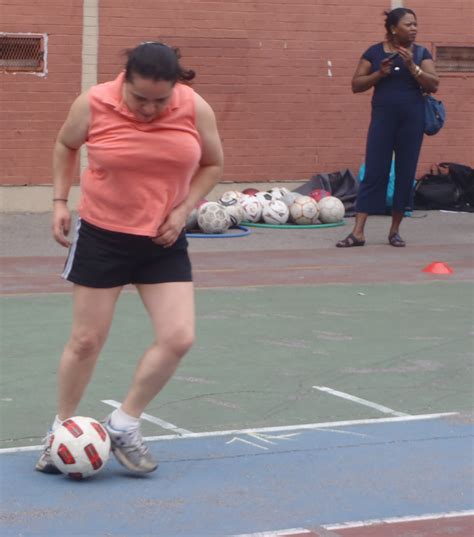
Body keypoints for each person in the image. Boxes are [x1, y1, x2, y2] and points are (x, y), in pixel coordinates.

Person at [36, 42, 224, 474]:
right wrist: (60, 201)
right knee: (86, 341)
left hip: (163, 240)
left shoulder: (195, 108)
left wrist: (183, 209)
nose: (149, 109)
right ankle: (60, 431)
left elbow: (213, 164)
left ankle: (123, 423)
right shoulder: (94, 102)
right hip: (103, 236)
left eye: (161, 101)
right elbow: (65, 145)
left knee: (179, 337)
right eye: (140, 98)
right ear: (125, 81)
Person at [337, 7, 439, 248]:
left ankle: (394, 231)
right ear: (394, 28)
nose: (414, 28)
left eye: (415, 24)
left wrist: (412, 66)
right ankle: (358, 232)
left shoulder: (422, 53)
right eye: (408, 24)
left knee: (405, 173)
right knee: (375, 171)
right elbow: (356, 84)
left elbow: (433, 83)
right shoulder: (374, 52)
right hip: (383, 120)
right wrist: (378, 74)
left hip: (411, 122)